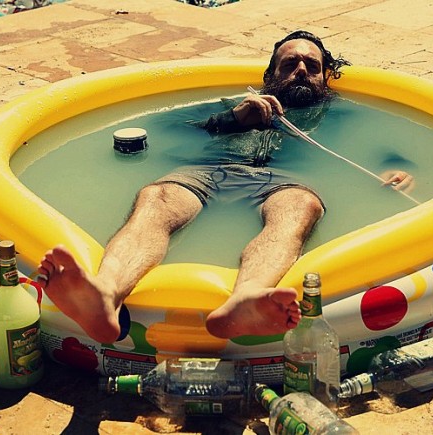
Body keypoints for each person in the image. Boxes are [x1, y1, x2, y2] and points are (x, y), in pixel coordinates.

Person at [37, 30, 414, 343]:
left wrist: (397, 166)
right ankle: (105, 294)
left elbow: (381, 141)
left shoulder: (340, 111)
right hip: (209, 170)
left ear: (325, 76)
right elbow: (168, 128)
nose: (301, 70)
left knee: (300, 206)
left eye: (311, 66)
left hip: (285, 180)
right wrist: (231, 118)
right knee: (157, 197)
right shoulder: (237, 103)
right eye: (290, 64)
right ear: (271, 75)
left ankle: (248, 300)